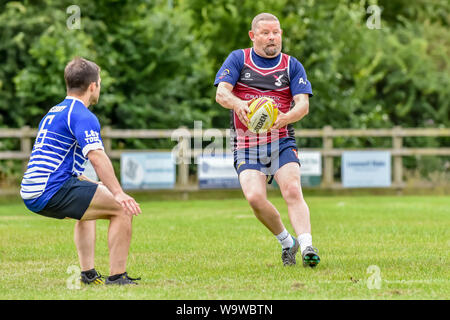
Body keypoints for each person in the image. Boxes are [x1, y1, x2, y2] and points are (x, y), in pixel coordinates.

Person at [20, 57, 142, 285]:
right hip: (49, 190)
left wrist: (96, 185)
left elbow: (60, 163)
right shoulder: (82, 115)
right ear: (93, 86)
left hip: (31, 190)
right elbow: (97, 156)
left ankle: (87, 275)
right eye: (100, 83)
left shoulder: (54, 112)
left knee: (89, 207)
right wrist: (118, 193)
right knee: (121, 209)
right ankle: (117, 278)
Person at [214, 13, 320, 267]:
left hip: (281, 139)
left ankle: (307, 246)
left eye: (276, 32)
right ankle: (287, 242)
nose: (272, 37)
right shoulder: (239, 59)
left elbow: (302, 105)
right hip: (247, 144)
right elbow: (221, 94)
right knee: (254, 198)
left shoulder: (291, 65)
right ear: (253, 36)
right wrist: (240, 105)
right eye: (265, 33)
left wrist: (283, 118)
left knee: (292, 189)